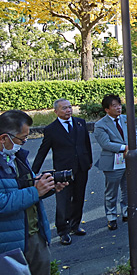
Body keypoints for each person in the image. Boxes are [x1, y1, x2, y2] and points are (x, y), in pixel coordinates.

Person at [0, 110, 67, 275]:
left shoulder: (16, 156)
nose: (24, 143)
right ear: (3, 138)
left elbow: (28, 189)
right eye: (22, 139)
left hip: (34, 235)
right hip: (10, 243)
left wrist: (48, 187)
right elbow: (2, 203)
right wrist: (36, 191)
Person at [32, 98, 92, 246]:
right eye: (64, 108)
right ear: (56, 111)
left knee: (79, 198)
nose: (68, 110)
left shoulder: (80, 123)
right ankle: (63, 230)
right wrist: (33, 172)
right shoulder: (51, 129)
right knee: (63, 201)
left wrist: (89, 160)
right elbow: (43, 151)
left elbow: (86, 143)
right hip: (63, 171)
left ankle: (75, 225)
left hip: (81, 167)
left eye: (70, 107)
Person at [93, 94, 129, 230]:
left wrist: (131, 147)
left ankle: (126, 211)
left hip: (128, 159)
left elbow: (134, 135)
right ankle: (111, 216)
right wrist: (124, 148)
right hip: (113, 161)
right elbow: (106, 143)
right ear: (107, 109)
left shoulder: (126, 119)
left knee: (127, 188)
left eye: (119, 104)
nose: (118, 108)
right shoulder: (100, 125)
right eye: (114, 106)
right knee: (111, 191)